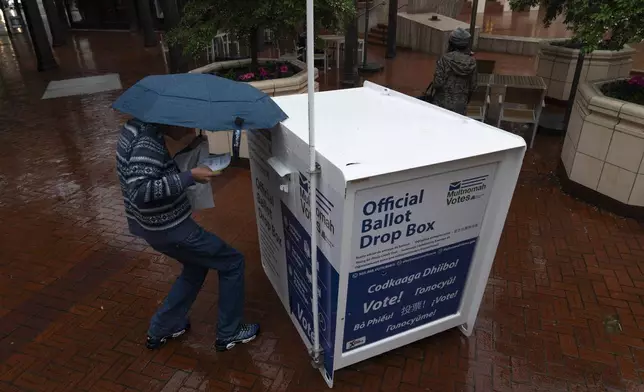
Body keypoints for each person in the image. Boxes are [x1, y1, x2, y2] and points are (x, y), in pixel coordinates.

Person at [115, 118, 260, 351]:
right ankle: (229, 332)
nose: (190, 129)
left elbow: (144, 173)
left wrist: (186, 154)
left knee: (196, 266)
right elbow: (140, 191)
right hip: (170, 229)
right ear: (168, 118)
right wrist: (190, 175)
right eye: (186, 123)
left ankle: (163, 326)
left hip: (154, 227)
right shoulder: (148, 143)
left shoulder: (134, 128)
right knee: (232, 262)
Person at [431, 28, 478, 116]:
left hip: (441, 104)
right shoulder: (472, 62)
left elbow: (437, 83)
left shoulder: (445, 59)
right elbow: (473, 87)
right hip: (460, 106)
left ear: (451, 43)